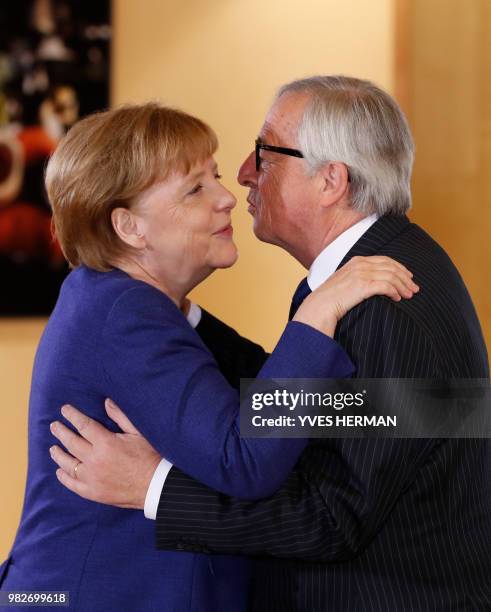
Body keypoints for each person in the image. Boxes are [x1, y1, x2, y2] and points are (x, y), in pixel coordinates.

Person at [49, 76, 490, 611]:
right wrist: (180, 314)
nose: (241, 176)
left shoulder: (383, 304)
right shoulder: (378, 270)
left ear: (330, 180)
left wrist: (152, 487)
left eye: (265, 153)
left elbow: (332, 517)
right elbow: (312, 410)